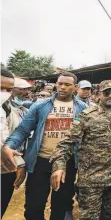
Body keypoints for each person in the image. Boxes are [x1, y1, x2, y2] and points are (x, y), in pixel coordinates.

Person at [1, 72, 88, 220]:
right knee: (33, 208)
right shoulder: (41, 106)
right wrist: (8, 146)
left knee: (60, 207)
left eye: (67, 84)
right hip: (40, 162)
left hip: (67, 163)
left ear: (75, 87)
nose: (62, 87)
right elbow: (23, 129)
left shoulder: (83, 109)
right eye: (60, 83)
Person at [50, 80, 111, 219]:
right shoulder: (87, 115)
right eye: (106, 93)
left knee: (109, 216)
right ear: (99, 95)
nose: (110, 96)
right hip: (91, 181)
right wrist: (59, 166)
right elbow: (66, 143)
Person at [0, 69, 26, 218]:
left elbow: (12, 141)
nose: (4, 93)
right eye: (0, 88)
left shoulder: (10, 110)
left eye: (8, 89)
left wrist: (19, 162)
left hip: (4, 171)